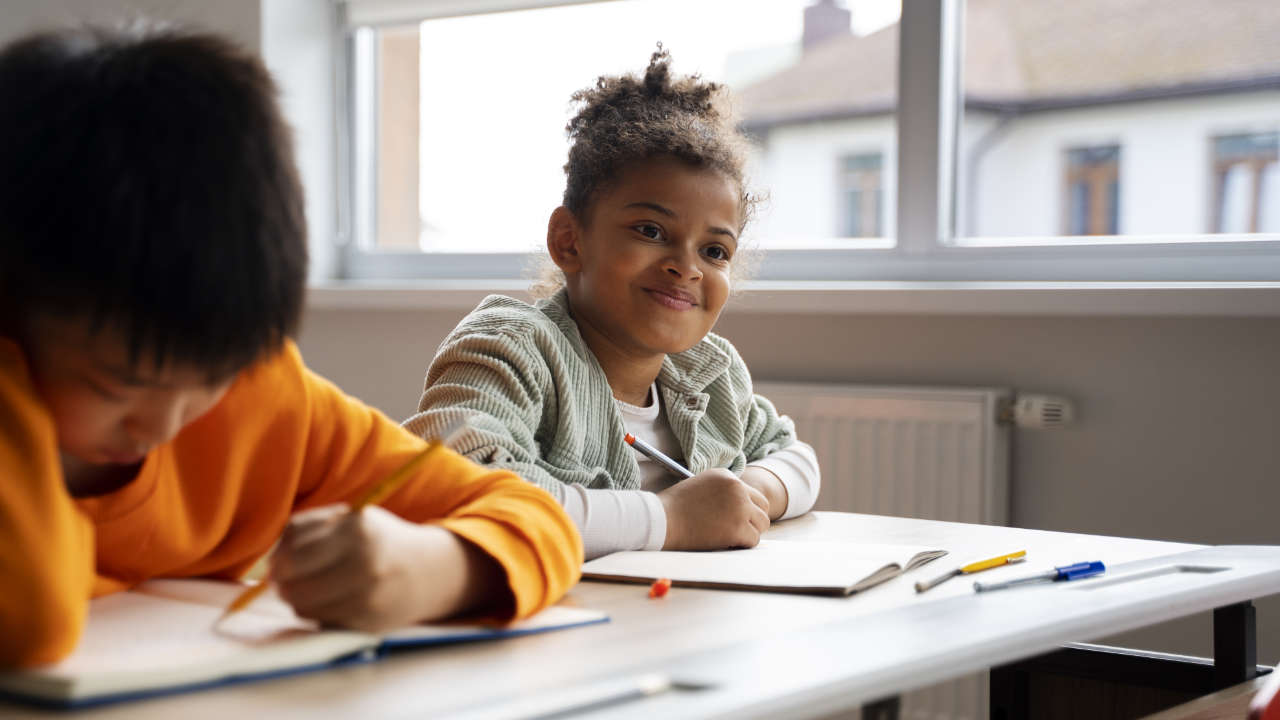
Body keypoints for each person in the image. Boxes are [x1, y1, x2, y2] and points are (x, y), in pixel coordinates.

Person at [0, 26, 581, 668]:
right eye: (117, 387)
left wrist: (432, 567)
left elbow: (534, 514)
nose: (164, 424)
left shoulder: (263, 396)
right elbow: (32, 623)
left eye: (209, 378)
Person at [404, 48, 819, 560]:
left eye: (714, 251)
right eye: (651, 230)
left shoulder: (710, 374)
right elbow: (456, 486)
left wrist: (751, 493)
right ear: (569, 241)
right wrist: (672, 520)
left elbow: (796, 457)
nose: (686, 267)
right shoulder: (512, 348)